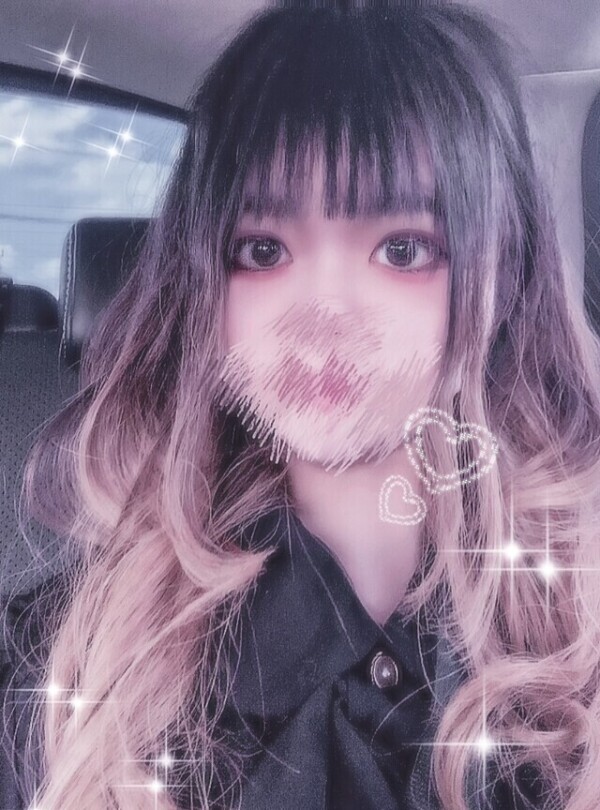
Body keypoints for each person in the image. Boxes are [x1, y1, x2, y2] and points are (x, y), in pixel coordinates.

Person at [1, 0, 599, 807]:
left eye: (403, 249)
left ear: (499, 283)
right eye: (262, 250)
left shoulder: (576, 633)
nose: (324, 314)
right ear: (202, 292)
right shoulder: (68, 668)